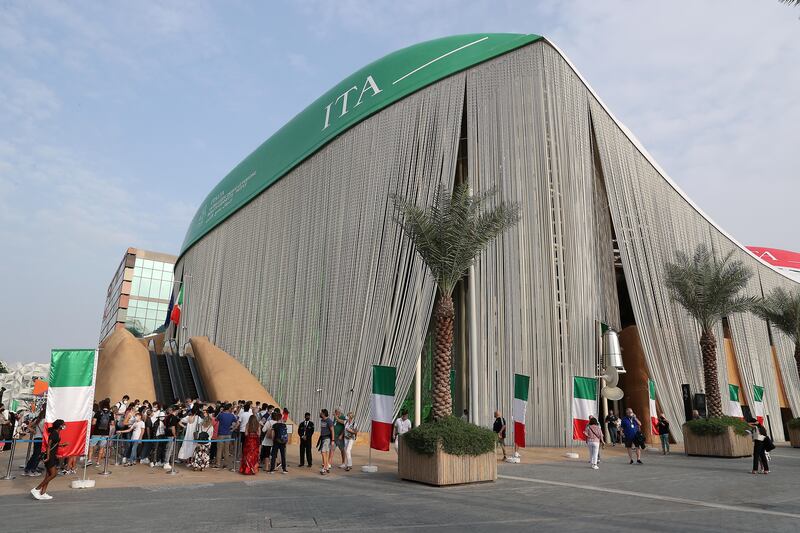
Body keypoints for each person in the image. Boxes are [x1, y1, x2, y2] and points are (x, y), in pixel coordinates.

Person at [31, 419, 68, 500]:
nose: (64, 426)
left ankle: (43, 492)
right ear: (60, 425)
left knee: (48, 475)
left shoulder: (57, 433)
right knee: (54, 474)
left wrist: (62, 445)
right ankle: (36, 489)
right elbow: (49, 445)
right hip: (50, 456)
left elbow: (55, 444)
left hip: (52, 456)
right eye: (63, 424)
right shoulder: (54, 433)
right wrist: (48, 456)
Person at [23, 407, 45, 477]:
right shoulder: (45, 421)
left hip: (36, 438)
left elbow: (28, 426)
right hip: (41, 439)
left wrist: (34, 431)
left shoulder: (37, 420)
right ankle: (33, 470)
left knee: (35, 454)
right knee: (38, 455)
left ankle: (27, 469)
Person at [215, 403, 236, 469]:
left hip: (221, 433)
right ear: (229, 408)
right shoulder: (232, 415)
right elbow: (237, 422)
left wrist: (220, 412)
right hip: (228, 434)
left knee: (219, 449)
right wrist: (233, 429)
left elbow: (216, 419)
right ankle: (226, 464)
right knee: (227, 450)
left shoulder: (221, 415)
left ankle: (218, 464)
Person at [317, 409, 334, 475]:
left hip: (327, 438)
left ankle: (324, 467)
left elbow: (332, 430)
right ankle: (326, 467)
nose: (320, 414)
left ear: (323, 414)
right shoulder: (322, 420)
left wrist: (332, 440)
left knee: (323, 452)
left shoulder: (329, 421)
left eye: (321, 413)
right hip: (323, 438)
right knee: (325, 453)